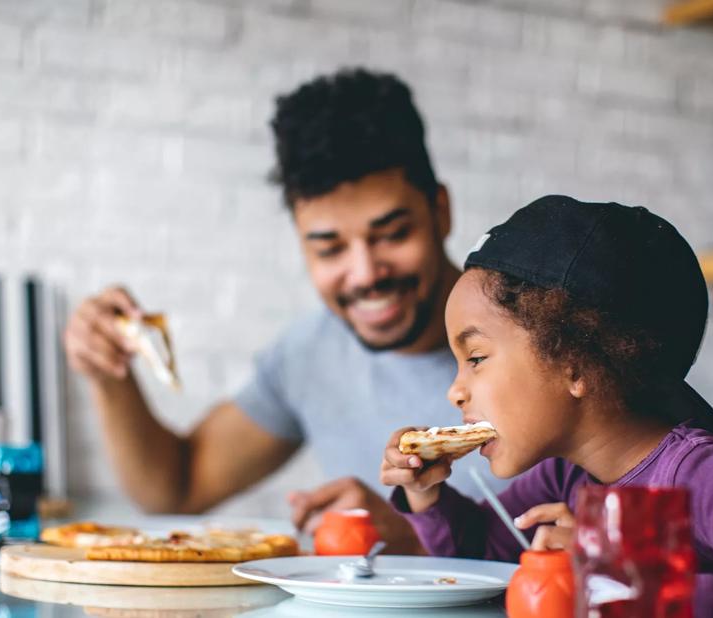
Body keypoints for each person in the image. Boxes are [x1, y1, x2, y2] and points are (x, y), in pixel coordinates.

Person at [380, 195, 713, 616]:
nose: (456, 391)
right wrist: (427, 495)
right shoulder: (570, 476)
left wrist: (627, 577)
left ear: (573, 361)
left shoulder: (699, 476)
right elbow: (478, 556)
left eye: (475, 357)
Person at [63, 68, 507, 551]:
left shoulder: (539, 340)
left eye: (393, 234)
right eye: (329, 248)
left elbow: (591, 544)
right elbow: (176, 487)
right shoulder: (309, 354)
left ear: (440, 211)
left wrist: (419, 537)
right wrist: (109, 376)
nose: (364, 273)